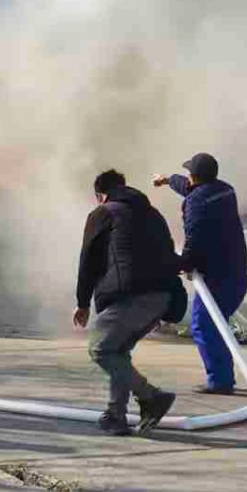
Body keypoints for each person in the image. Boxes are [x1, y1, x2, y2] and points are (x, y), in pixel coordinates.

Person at [74, 169, 180, 435]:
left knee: (101, 350)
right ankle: (116, 416)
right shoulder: (153, 213)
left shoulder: (103, 212)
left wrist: (82, 303)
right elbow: (169, 251)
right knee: (117, 351)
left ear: (101, 194)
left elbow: (88, 259)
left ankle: (151, 397)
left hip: (130, 295)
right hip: (162, 297)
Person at [152, 152, 247, 395]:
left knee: (204, 326)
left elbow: (194, 239)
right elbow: (188, 187)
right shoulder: (225, 190)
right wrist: (167, 180)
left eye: (189, 174)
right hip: (238, 270)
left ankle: (220, 382)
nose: (187, 178)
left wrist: (184, 265)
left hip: (217, 276)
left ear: (195, 177)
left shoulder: (196, 202)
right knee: (216, 324)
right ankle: (223, 377)